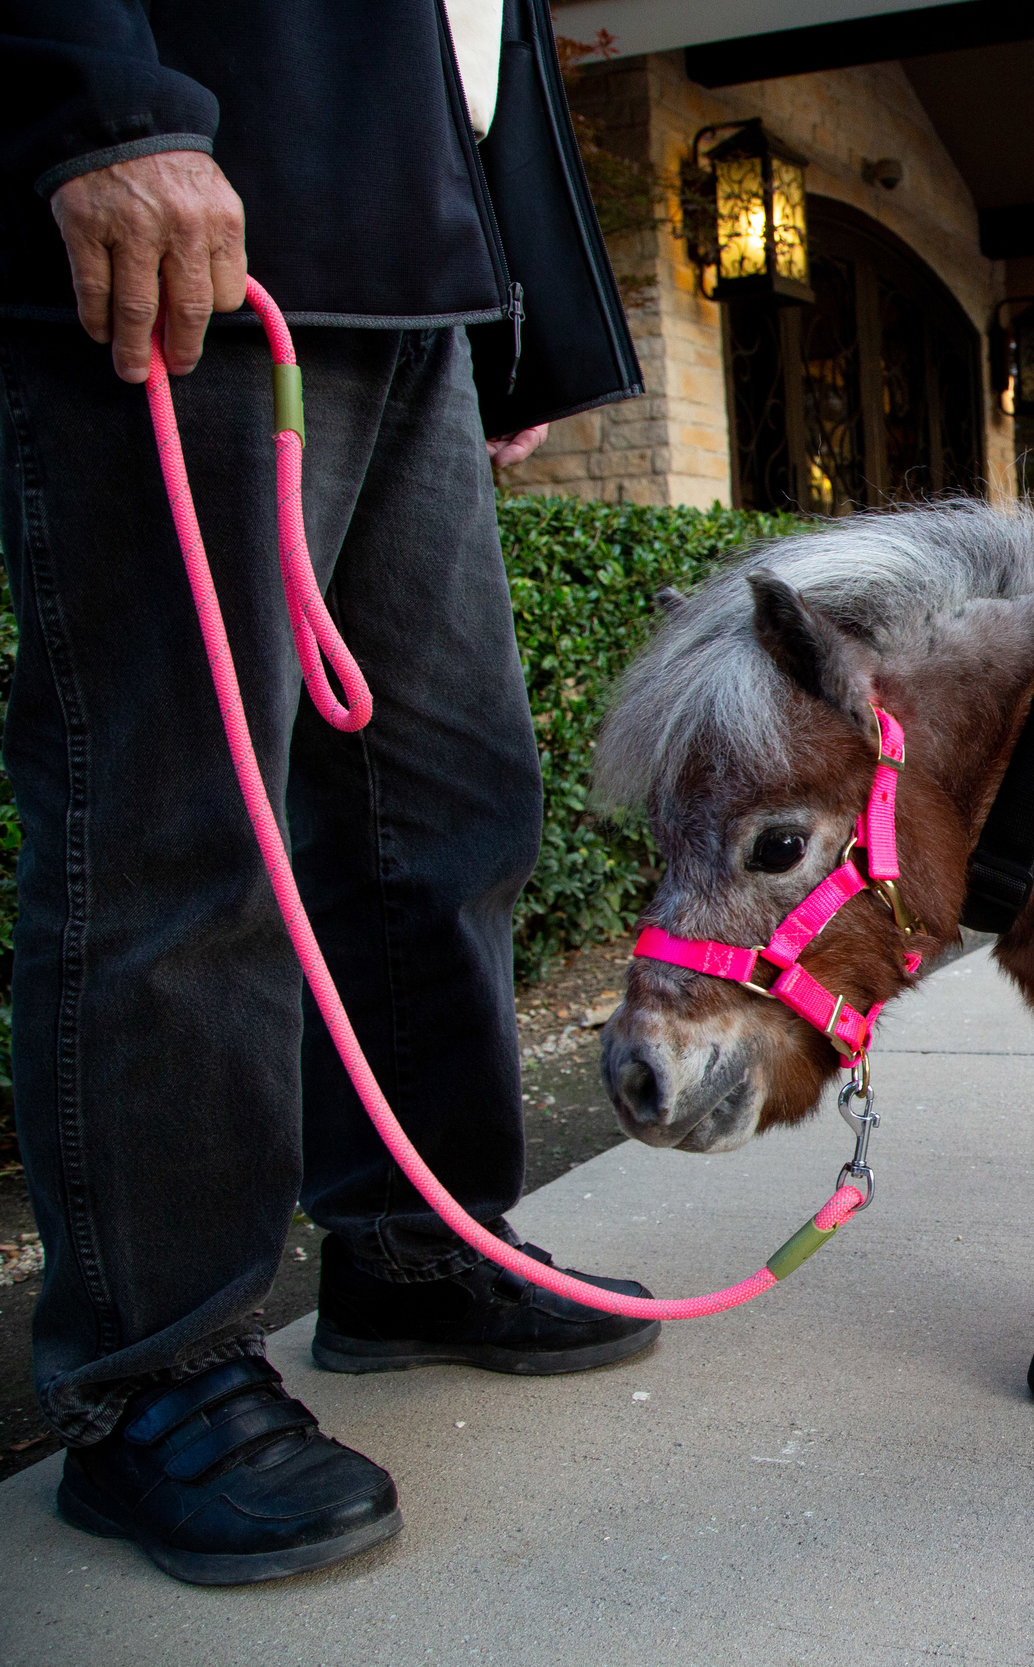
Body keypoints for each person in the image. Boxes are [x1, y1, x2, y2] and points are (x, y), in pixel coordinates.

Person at [3, 1, 650, 1586]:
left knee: (445, 807)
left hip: (407, 267)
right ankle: (153, 1365)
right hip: (192, 214)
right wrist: (101, 100)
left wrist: (513, 299)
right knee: (176, 816)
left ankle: (413, 1242)